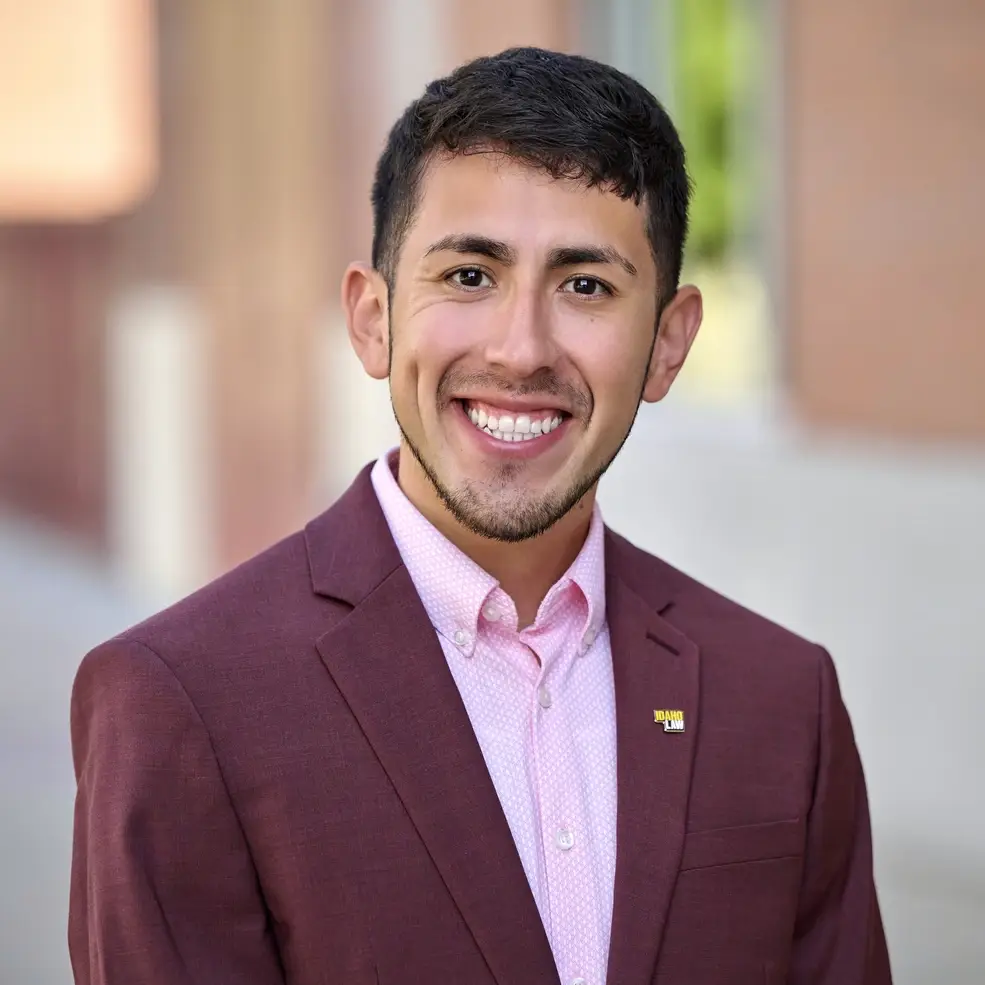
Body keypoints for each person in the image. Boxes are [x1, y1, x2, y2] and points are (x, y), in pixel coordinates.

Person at [69, 46, 891, 985]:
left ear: (667, 344)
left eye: (586, 286)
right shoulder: (183, 702)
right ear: (373, 319)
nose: (521, 348)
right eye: (468, 275)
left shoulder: (782, 701)